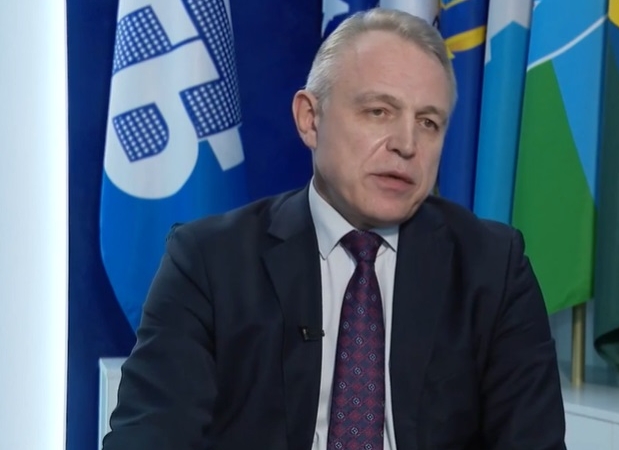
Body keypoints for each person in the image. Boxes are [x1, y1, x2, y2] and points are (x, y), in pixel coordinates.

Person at [102, 7, 566, 450]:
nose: (407, 144)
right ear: (310, 118)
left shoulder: (492, 269)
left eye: (428, 122)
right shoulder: (208, 262)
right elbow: (149, 437)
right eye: (378, 111)